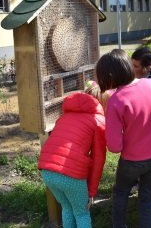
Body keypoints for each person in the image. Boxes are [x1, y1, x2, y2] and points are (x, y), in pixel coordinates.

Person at [95, 49, 151, 228]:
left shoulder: (116, 100)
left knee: (120, 193)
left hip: (133, 161)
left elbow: (115, 146)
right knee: (148, 197)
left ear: (110, 76)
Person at [37, 82, 108, 228]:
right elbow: (98, 159)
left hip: (47, 171)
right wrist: (91, 192)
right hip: (70, 176)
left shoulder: (64, 116)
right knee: (81, 212)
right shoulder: (98, 121)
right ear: (102, 103)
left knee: (67, 208)